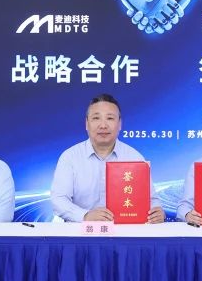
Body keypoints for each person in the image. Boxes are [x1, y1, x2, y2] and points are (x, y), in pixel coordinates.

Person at [51, 93, 165, 223]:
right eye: (96, 118)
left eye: (110, 118)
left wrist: (157, 212)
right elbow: (58, 200)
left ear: (120, 124)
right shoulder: (70, 157)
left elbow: (151, 200)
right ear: (86, 124)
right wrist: (85, 216)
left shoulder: (135, 157)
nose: (103, 125)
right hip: (81, 231)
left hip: (124, 232)